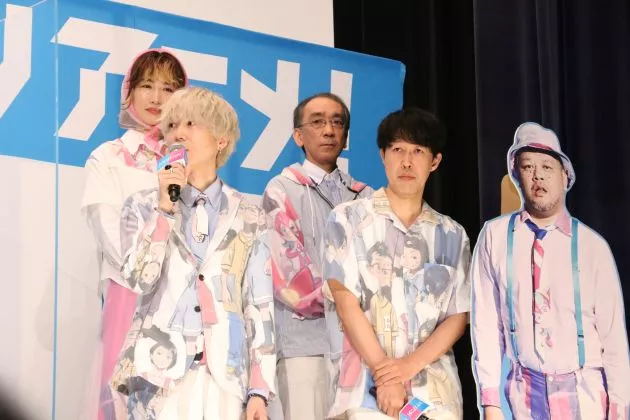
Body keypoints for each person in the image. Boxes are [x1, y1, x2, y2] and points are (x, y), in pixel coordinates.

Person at [109, 86, 276, 419]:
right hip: (157, 373)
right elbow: (138, 279)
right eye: (171, 126)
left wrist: (259, 389)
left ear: (220, 140)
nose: (178, 134)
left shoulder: (249, 216)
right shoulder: (143, 206)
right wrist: (164, 208)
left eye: (190, 124)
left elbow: (259, 304)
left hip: (224, 377)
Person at [471, 122, 630, 420]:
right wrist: (490, 403)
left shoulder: (592, 246)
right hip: (522, 396)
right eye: (527, 166)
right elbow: (486, 324)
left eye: (547, 166)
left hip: (585, 395)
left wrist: (619, 411)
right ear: (516, 174)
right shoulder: (494, 237)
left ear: (565, 175)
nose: (538, 176)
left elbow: (614, 340)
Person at [324, 108, 471, 419]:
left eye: (418, 151)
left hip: (435, 395)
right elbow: (346, 302)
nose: (407, 161)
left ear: (435, 161)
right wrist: (385, 374)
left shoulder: (452, 233)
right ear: (383, 156)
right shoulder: (348, 219)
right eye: (398, 150)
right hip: (366, 391)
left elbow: (458, 316)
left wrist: (408, 367)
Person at [80, 49, 187, 418]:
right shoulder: (109, 157)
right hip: (129, 292)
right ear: (129, 92)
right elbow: (107, 230)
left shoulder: (189, 160)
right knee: (121, 393)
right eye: (147, 86)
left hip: (182, 298)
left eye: (168, 88)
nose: (157, 98)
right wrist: (144, 266)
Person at [262, 93, 373, 420]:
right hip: (306, 346)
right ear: (298, 135)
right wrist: (348, 301)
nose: (328, 130)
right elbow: (289, 279)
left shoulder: (365, 197)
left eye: (337, 122)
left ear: (346, 137)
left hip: (359, 348)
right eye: (318, 122)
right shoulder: (281, 190)